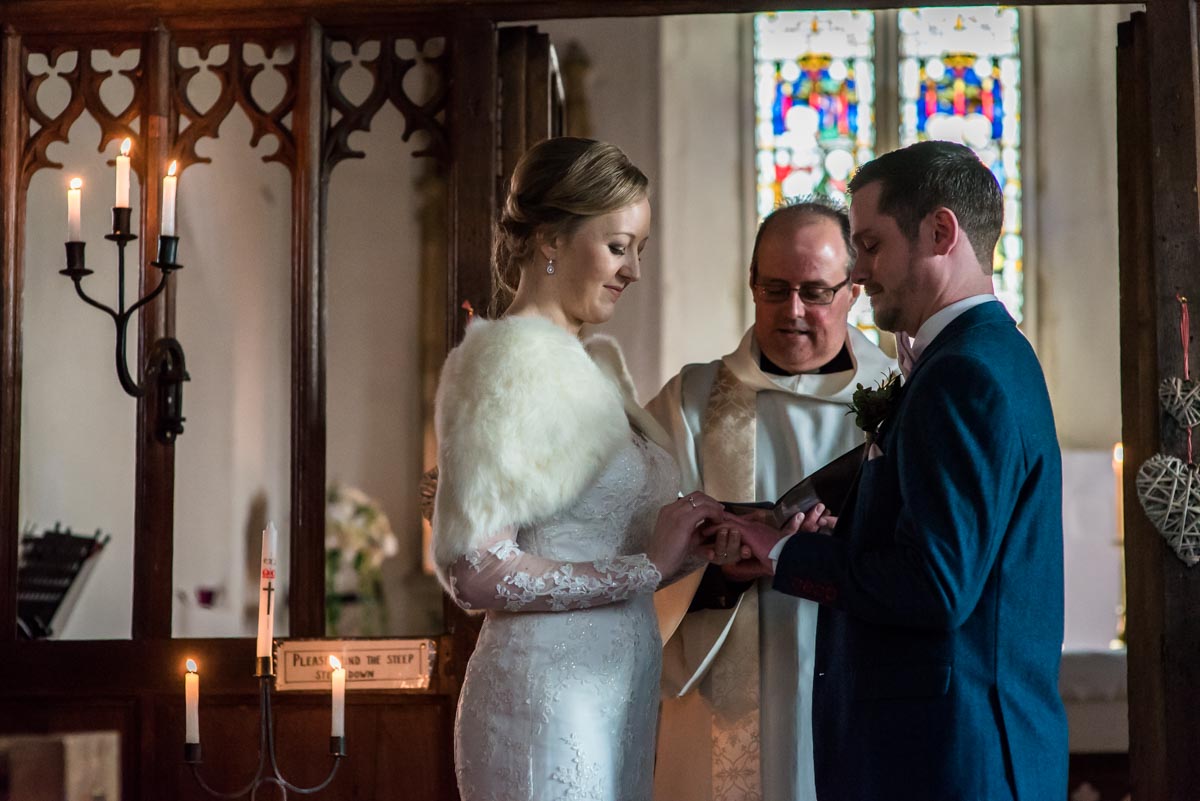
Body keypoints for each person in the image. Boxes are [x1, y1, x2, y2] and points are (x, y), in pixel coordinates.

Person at [732, 140, 1068, 801]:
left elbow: (936, 585)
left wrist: (783, 552)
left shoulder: (963, 374)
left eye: (871, 245)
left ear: (941, 232)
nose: (857, 271)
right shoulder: (989, 354)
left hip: (951, 759)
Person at [430, 137, 725, 801]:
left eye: (640, 249)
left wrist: (702, 539)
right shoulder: (506, 363)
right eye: (619, 246)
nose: (634, 270)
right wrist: (644, 568)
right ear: (549, 240)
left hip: (616, 691)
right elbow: (474, 570)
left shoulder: (592, 367)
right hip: (545, 699)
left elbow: (613, 540)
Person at [648, 200, 894, 801]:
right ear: (752, 284)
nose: (793, 310)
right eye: (775, 290)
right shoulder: (691, 401)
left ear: (853, 290)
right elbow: (634, 542)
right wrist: (714, 566)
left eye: (815, 292)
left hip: (862, 679)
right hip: (721, 689)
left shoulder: (898, 400)